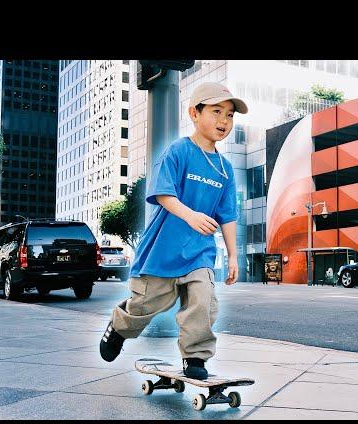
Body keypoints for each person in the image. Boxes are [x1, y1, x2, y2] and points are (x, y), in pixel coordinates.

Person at [99, 82, 248, 380]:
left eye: (230, 115)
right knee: (144, 305)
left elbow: (228, 215)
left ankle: (195, 356)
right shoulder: (179, 151)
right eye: (217, 112)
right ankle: (119, 326)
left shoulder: (225, 168)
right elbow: (163, 194)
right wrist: (191, 215)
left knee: (203, 300)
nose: (224, 121)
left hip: (200, 252)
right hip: (164, 250)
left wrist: (233, 256)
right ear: (195, 113)